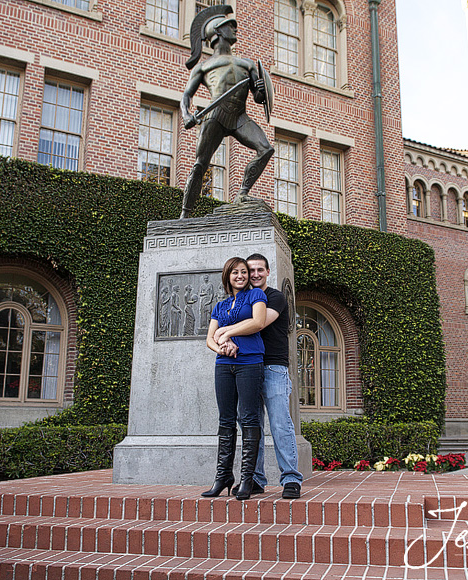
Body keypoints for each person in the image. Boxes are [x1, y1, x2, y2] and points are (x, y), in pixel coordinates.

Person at [214, 254, 303, 499]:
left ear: (267, 271)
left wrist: (223, 331)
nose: (254, 274)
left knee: (279, 423)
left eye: (258, 270)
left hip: (273, 367)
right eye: (250, 270)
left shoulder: (273, 296)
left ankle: (291, 478)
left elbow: (259, 323)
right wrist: (226, 338)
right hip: (247, 367)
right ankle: (255, 478)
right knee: (251, 424)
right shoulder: (243, 300)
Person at [178, 6, 273, 218]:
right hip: (215, 116)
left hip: (239, 116)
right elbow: (186, 96)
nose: (235, 29)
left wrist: (259, 89)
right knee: (200, 164)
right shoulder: (203, 67)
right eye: (230, 26)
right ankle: (185, 213)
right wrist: (186, 115)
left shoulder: (248, 64)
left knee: (265, 149)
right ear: (218, 32)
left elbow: (259, 97)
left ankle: (242, 194)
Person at [203, 257, 267, 500]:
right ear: (227, 276)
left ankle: (247, 479)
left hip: (249, 363)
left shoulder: (256, 297)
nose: (240, 276)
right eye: (235, 272)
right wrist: (221, 346)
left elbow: (258, 322)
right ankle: (223, 476)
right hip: (224, 364)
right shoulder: (220, 306)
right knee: (226, 419)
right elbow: (209, 339)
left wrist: (226, 331)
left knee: (249, 417)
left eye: (244, 272)